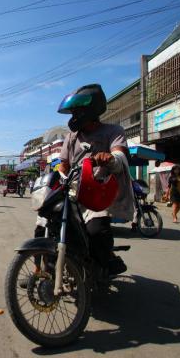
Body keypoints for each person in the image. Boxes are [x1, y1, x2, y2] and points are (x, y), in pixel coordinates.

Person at [56, 83, 135, 276]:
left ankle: (106, 259)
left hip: (97, 195)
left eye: (77, 111)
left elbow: (121, 156)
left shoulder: (113, 131)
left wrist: (109, 158)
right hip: (73, 192)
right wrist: (60, 176)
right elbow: (63, 163)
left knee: (96, 231)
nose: (74, 117)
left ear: (90, 110)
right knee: (43, 224)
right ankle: (41, 270)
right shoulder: (71, 136)